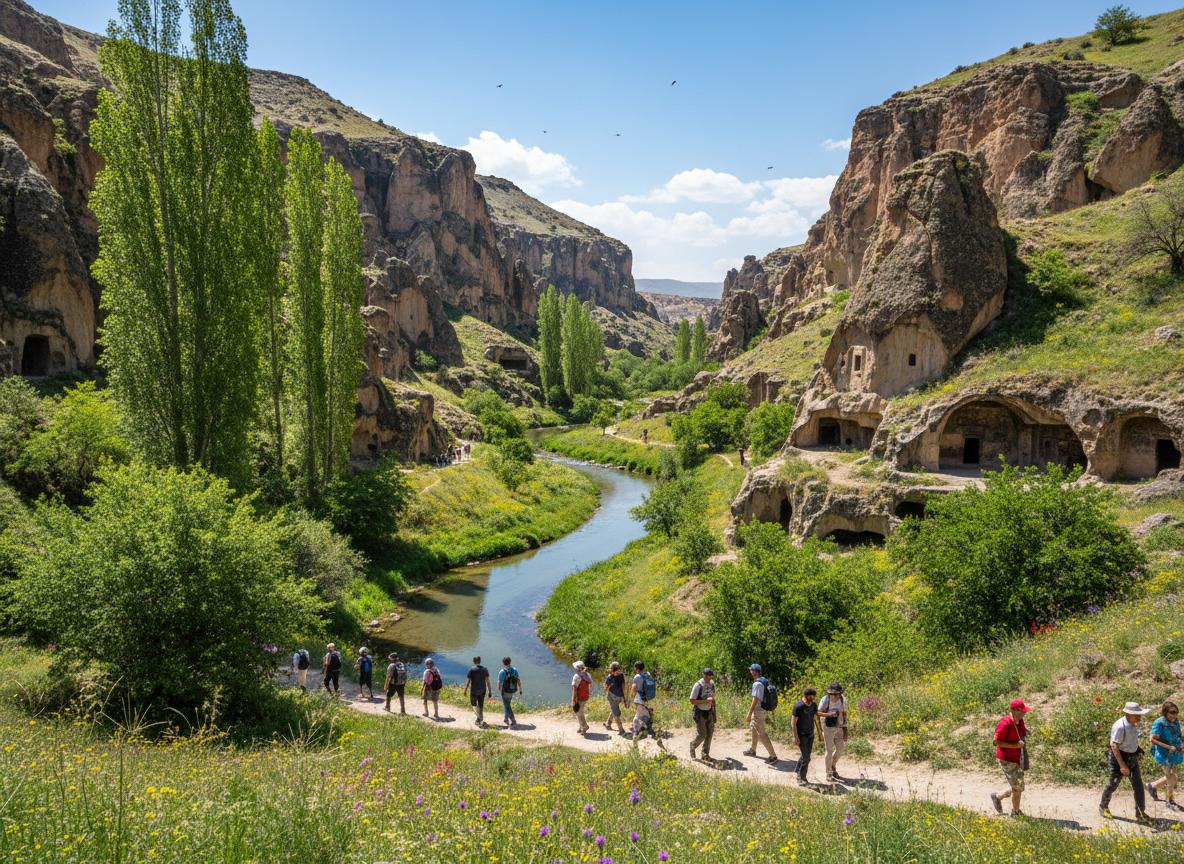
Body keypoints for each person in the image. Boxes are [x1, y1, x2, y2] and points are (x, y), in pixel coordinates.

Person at [1100, 701, 1151, 823]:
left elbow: (1130, 740)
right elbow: (1114, 745)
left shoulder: (1132, 723)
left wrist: (1137, 750)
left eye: (1139, 715)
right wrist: (1122, 765)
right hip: (1118, 759)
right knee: (1113, 784)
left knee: (1138, 786)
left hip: (1131, 757)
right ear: (1128, 714)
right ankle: (1103, 806)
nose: (1139, 718)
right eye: (1136, 715)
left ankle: (1140, 813)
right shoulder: (1120, 726)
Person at [990, 698, 1030, 817]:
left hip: (1019, 756)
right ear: (1014, 710)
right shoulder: (1005, 723)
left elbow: (1020, 730)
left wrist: (1026, 730)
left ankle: (997, 796)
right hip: (1007, 759)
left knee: (1017, 785)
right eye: (1022, 711)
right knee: (1017, 787)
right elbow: (996, 742)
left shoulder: (1019, 720)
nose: (1024, 713)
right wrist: (1014, 746)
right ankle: (1016, 812)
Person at [743, 663, 779, 765]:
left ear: (755, 672)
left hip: (758, 710)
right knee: (754, 729)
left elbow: (755, 700)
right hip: (762, 709)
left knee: (761, 733)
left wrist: (749, 714)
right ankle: (752, 750)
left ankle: (773, 756)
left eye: (751, 670)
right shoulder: (763, 680)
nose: (750, 672)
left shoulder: (757, 684)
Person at [1148, 701, 1181, 808]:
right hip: (1165, 754)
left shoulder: (1175, 721)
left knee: (1171, 776)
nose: (1174, 715)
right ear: (1165, 712)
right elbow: (1152, 739)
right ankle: (1169, 800)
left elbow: (1179, 735)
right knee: (1172, 777)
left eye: (1176, 712)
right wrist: (1168, 747)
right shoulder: (1159, 723)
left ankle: (1152, 786)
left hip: (1175, 753)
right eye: (1172, 712)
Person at [818, 682, 848, 782]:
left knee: (840, 749)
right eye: (832, 694)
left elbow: (844, 715)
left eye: (836, 694)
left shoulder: (843, 700)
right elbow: (817, 713)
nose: (834, 696)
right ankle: (829, 773)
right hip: (827, 726)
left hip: (839, 725)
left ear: (840, 693)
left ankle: (833, 765)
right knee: (829, 750)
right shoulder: (825, 699)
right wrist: (830, 714)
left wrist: (845, 730)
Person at [791, 686, 820, 784]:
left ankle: (797, 770)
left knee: (806, 756)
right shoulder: (798, 706)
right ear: (807, 696)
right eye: (812, 696)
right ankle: (801, 777)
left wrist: (830, 714)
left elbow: (817, 714)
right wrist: (796, 737)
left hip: (810, 734)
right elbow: (793, 723)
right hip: (801, 735)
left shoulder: (813, 704)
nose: (814, 698)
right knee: (807, 758)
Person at [689, 668, 717, 761]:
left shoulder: (712, 684)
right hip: (700, 712)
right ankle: (693, 745)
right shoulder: (698, 685)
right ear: (704, 675)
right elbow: (692, 701)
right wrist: (705, 701)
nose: (711, 677)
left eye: (711, 675)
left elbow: (713, 697)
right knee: (702, 734)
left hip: (709, 711)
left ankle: (705, 754)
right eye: (709, 676)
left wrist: (714, 708)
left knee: (710, 733)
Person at [464, 656, 492, 727]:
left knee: (473, 704)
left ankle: (479, 718)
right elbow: (488, 681)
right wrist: (490, 691)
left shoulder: (472, 670)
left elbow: (468, 681)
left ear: (473, 661)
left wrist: (465, 690)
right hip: (482, 690)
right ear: (480, 661)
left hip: (474, 691)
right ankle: (479, 718)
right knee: (481, 704)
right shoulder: (484, 669)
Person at [631, 661, 655, 739]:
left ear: (636, 668)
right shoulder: (647, 674)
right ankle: (649, 728)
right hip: (647, 697)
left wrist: (632, 698)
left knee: (638, 715)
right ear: (643, 667)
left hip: (639, 698)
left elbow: (634, 688)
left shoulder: (637, 677)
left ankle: (635, 732)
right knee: (646, 712)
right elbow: (652, 682)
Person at [603, 662, 627, 734]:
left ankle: (621, 730)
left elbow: (605, 689)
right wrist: (624, 698)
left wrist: (607, 686)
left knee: (616, 713)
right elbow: (623, 687)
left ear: (611, 669)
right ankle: (608, 723)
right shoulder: (621, 675)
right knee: (614, 709)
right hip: (620, 696)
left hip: (612, 696)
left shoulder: (609, 677)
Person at [497, 656, 521, 728]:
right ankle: (505, 719)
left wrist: (499, 689)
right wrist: (520, 689)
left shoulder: (502, 671)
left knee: (507, 705)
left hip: (504, 691)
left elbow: (499, 682)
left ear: (503, 663)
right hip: (512, 690)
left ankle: (513, 720)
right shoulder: (514, 670)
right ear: (510, 662)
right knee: (507, 704)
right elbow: (518, 680)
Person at [571, 660, 593, 735]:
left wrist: (574, 700)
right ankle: (581, 727)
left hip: (579, 697)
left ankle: (584, 726)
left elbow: (574, 689)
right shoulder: (587, 675)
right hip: (585, 696)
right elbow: (590, 685)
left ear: (577, 669)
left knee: (579, 713)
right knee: (580, 711)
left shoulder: (576, 676)